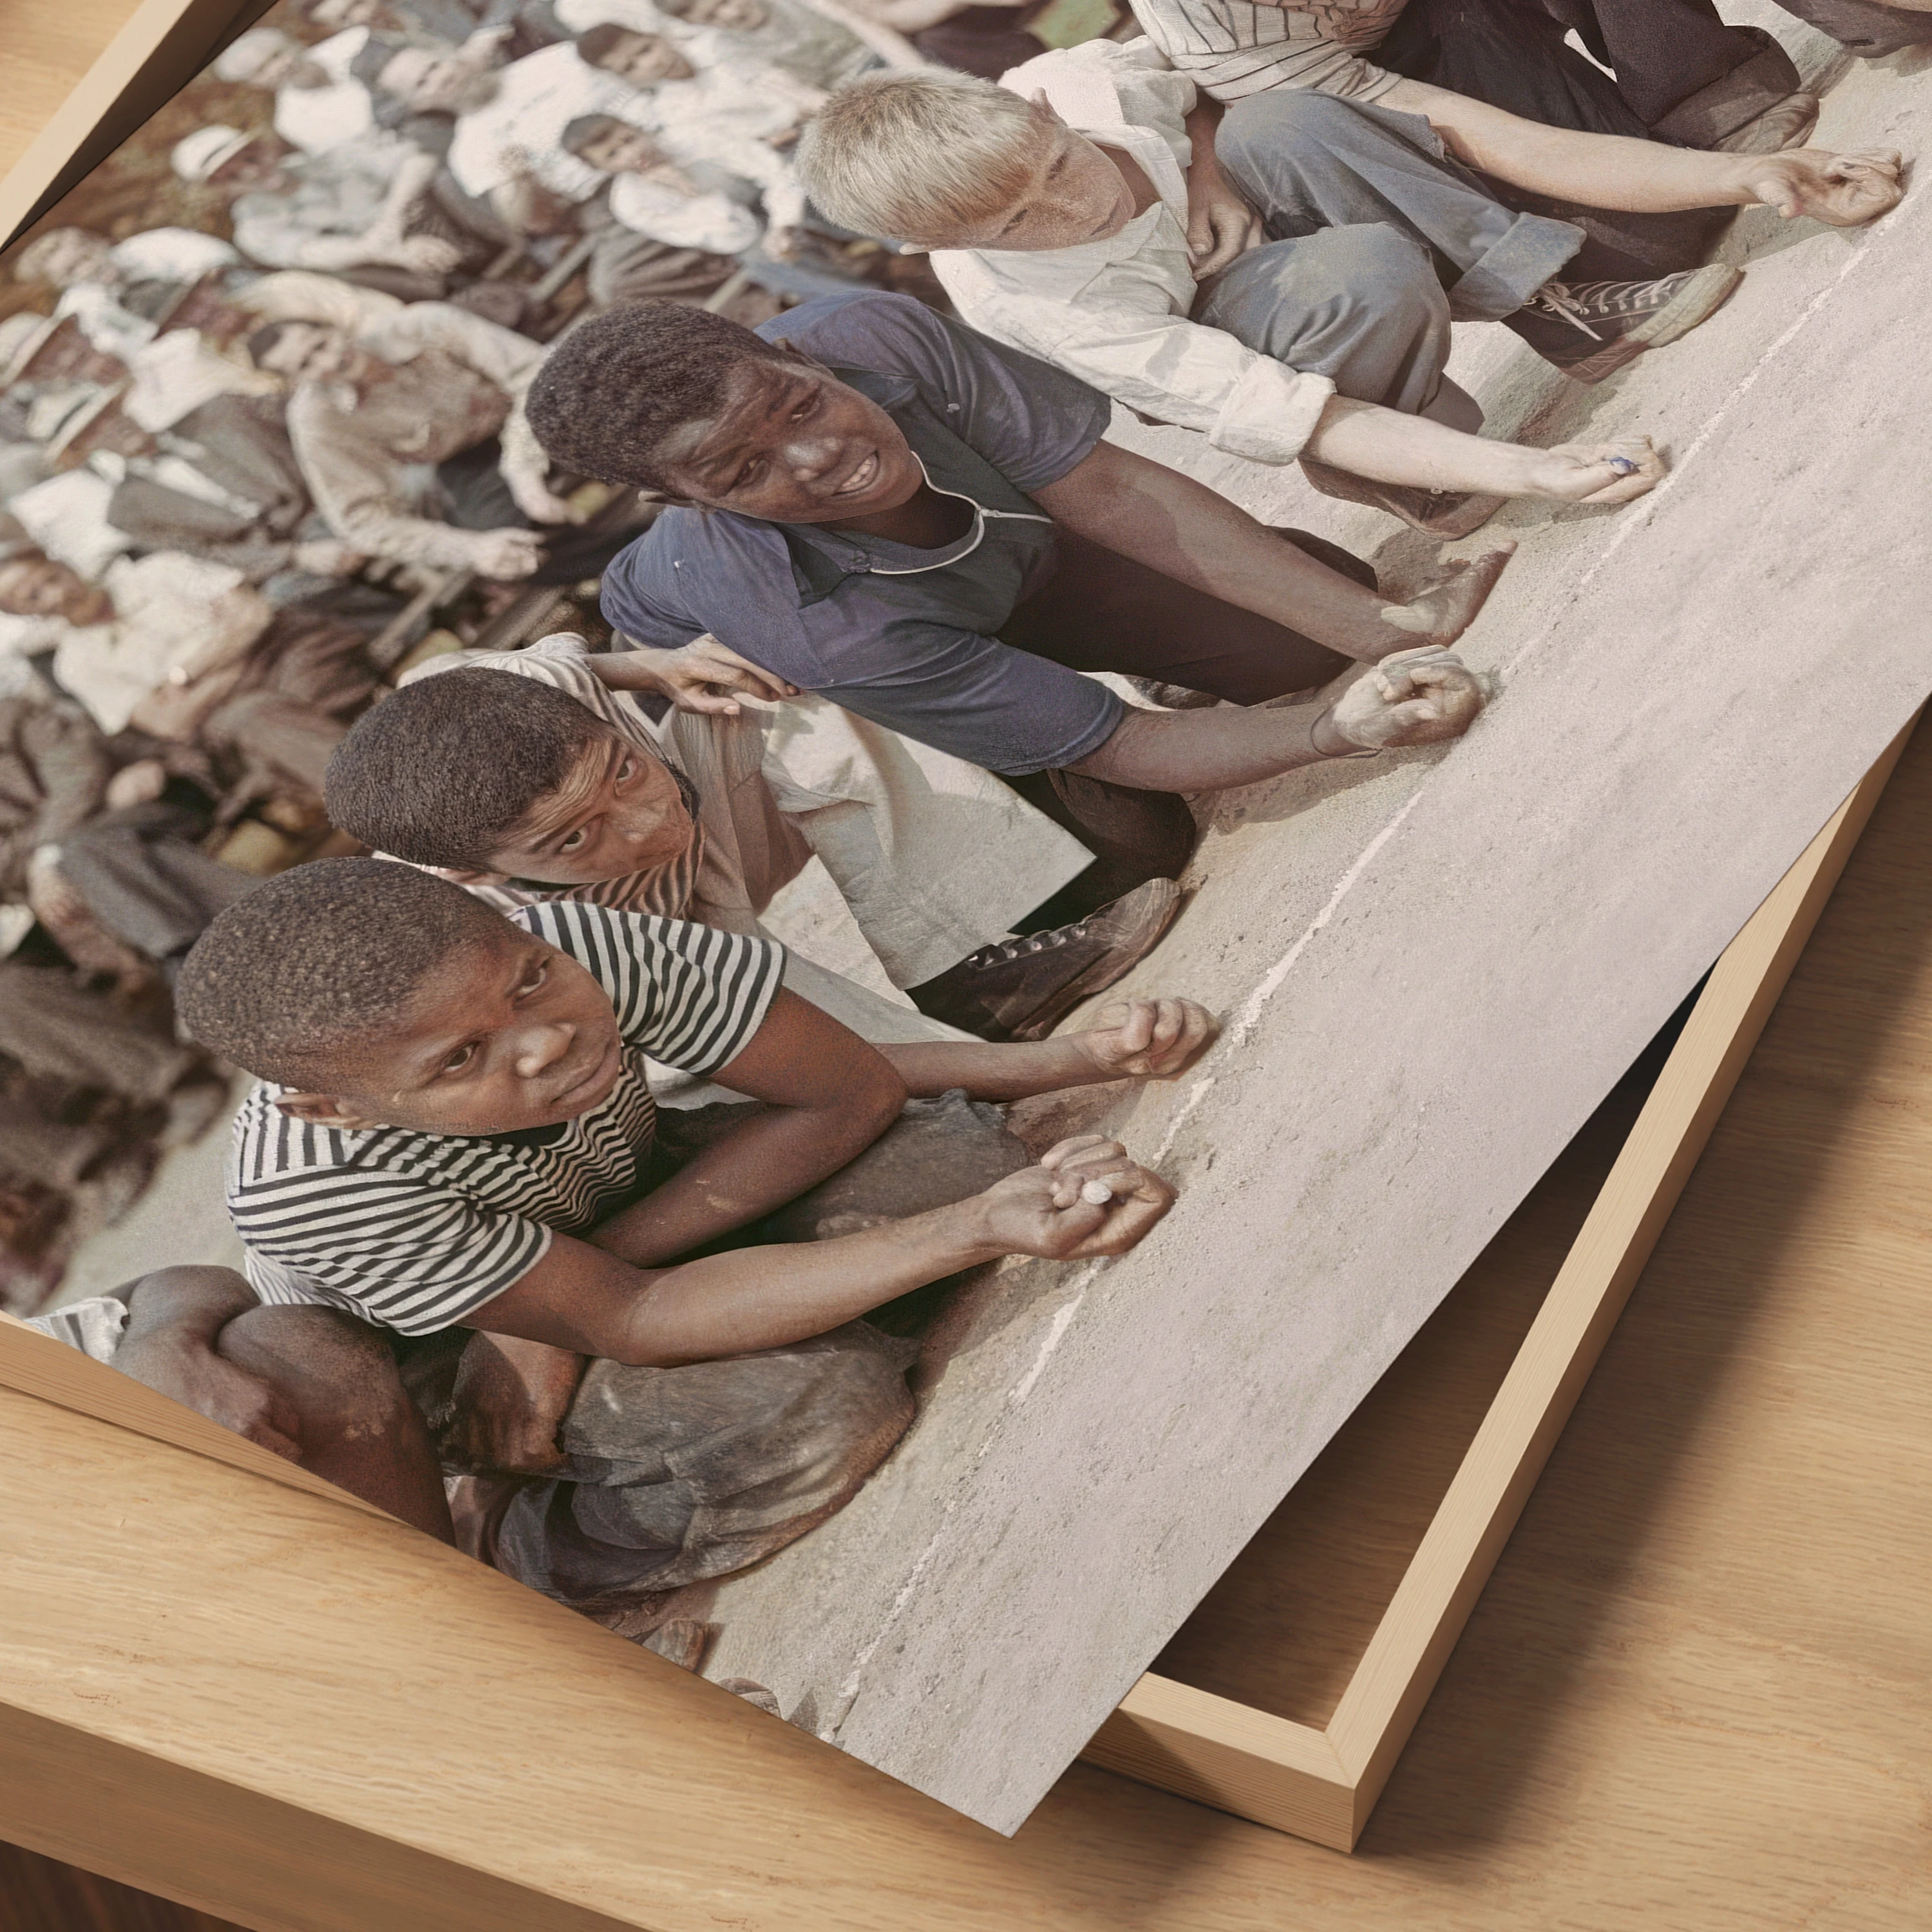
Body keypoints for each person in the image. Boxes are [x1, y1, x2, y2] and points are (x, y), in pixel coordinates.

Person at [158, 858, 1208, 1596]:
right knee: (813, 1410)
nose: (547, 1042)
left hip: (612, 1222)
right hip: (452, 1349)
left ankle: (807, 1301)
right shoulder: (316, 1182)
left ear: (501, 912)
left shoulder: (549, 939)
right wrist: (971, 1234)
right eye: (460, 1062)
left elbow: (846, 1093)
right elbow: (634, 1314)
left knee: (959, 1150)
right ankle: (532, 1540)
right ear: (334, 1106)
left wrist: (1062, 1072)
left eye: (531, 985)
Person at [525, 289, 1503, 870]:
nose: (817, 457)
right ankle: (1015, 760)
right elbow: (1120, 743)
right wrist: (1338, 730)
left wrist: (1385, 628)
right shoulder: (798, 617)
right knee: (1134, 852)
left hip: (1013, 573)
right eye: (744, 472)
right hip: (816, 660)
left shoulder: (871, 334)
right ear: (680, 500)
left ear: (792, 351)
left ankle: (1135, 658)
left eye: (796, 406)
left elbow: (1112, 491)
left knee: (1314, 607)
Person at [796, 55, 1901, 529]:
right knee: (1361, 274)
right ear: (930, 245)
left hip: (1256, 234)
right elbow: (1286, 406)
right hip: (1249, 333)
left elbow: (1202, 92)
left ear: (1035, 112)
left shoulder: (1067, 82)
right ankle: (1421, 472)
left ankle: (1553, 306)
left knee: (1287, 118)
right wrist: (1529, 470)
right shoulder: (1031, 306)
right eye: (1017, 224)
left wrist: (1214, 163)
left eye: (1063, 167)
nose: (1067, 211)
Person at [323, 632, 1171, 1042]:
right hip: (653, 967)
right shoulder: (478, 931)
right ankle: (951, 1051)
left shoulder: (511, 687)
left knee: (759, 681)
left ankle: (965, 968)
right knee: (850, 1059)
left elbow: (570, 666)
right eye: (575, 839)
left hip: (721, 850)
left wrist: (656, 667)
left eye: (623, 775)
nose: (648, 822)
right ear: (473, 875)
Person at [244, 299, 638, 582]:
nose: (328, 363)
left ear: (336, 327)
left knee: (599, 399)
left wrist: (523, 471)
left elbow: (536, 375)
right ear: (296, 381)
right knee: (506, 546)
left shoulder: (424, 324)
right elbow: (360, 521)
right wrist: (470, 550)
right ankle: (639, 558)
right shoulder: (318, 420)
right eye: (306, 366)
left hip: (532, 407)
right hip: (466, 459)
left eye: (320, 345)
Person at [169, 124, 478, 289]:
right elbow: (315, 254)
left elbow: (418, 161)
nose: (253, 173)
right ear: (223, 190)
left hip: (428, 217)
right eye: (234, 176)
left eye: (251, 159)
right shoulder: (255, 227)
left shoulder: (324, 159)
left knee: (446, 182)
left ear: (264, 149)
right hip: (388, 265)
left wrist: (391, 218)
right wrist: (392, 250)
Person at [213, 24, 379, 157]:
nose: (278, 68)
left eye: (277, 55)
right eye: (261, 70)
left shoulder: (353, 43)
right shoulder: (291, 122)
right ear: (254, 84)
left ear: (293, 43)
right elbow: (355, 155)